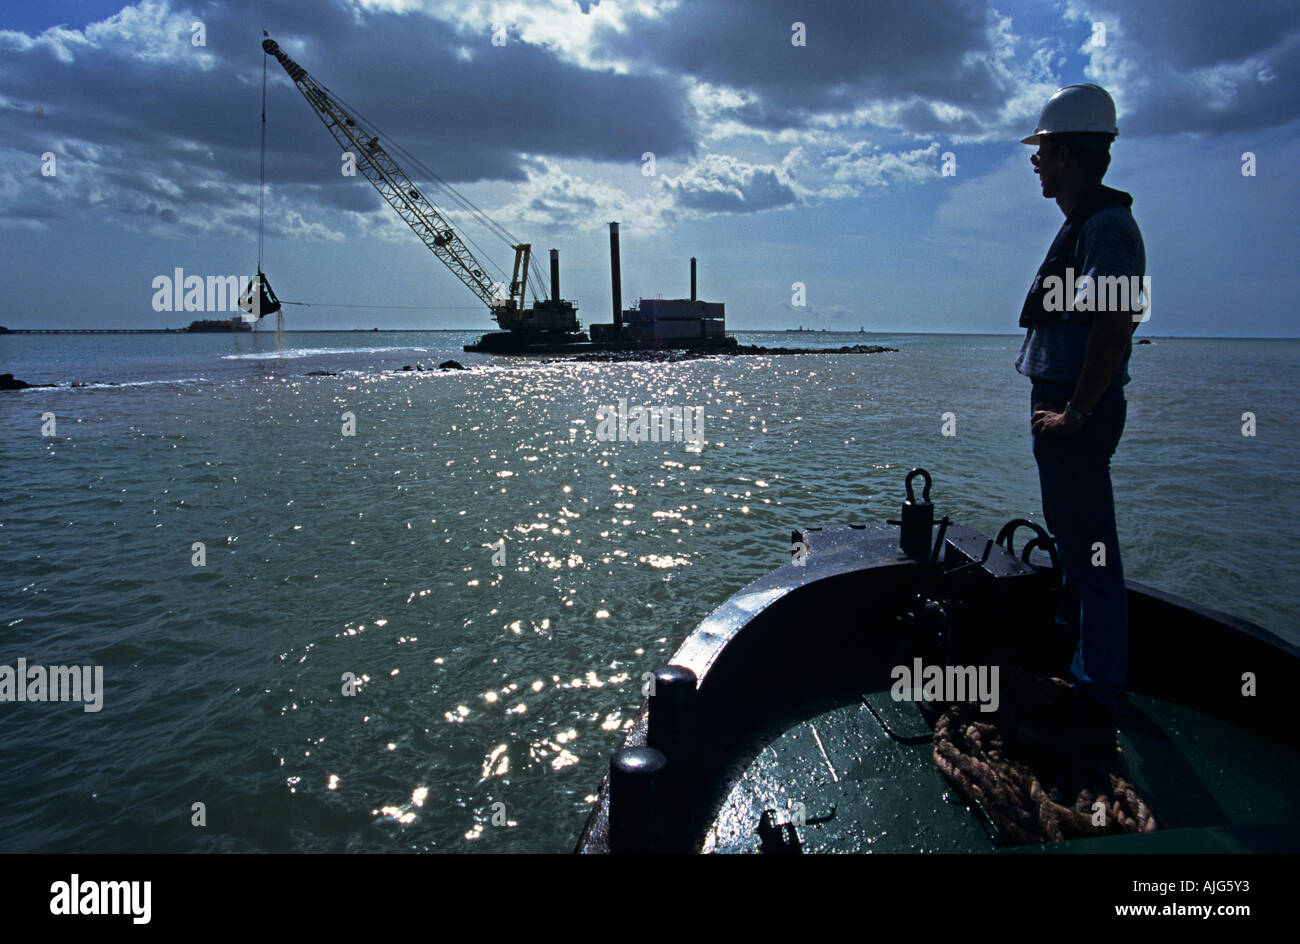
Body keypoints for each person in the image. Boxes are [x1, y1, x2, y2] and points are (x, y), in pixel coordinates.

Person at [1015, 84, 1146, 743]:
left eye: (1041, 152)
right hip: (1064, 409)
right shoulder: (1086, 225)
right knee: (1076, 545)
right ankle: (1081, 668)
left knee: (1095, 557)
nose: (1035, 163)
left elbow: (1115, 324)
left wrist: (1074, 414)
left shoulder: (1108, 229)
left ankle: (1097, 695)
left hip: (1074, 415)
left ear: (1066, 153)